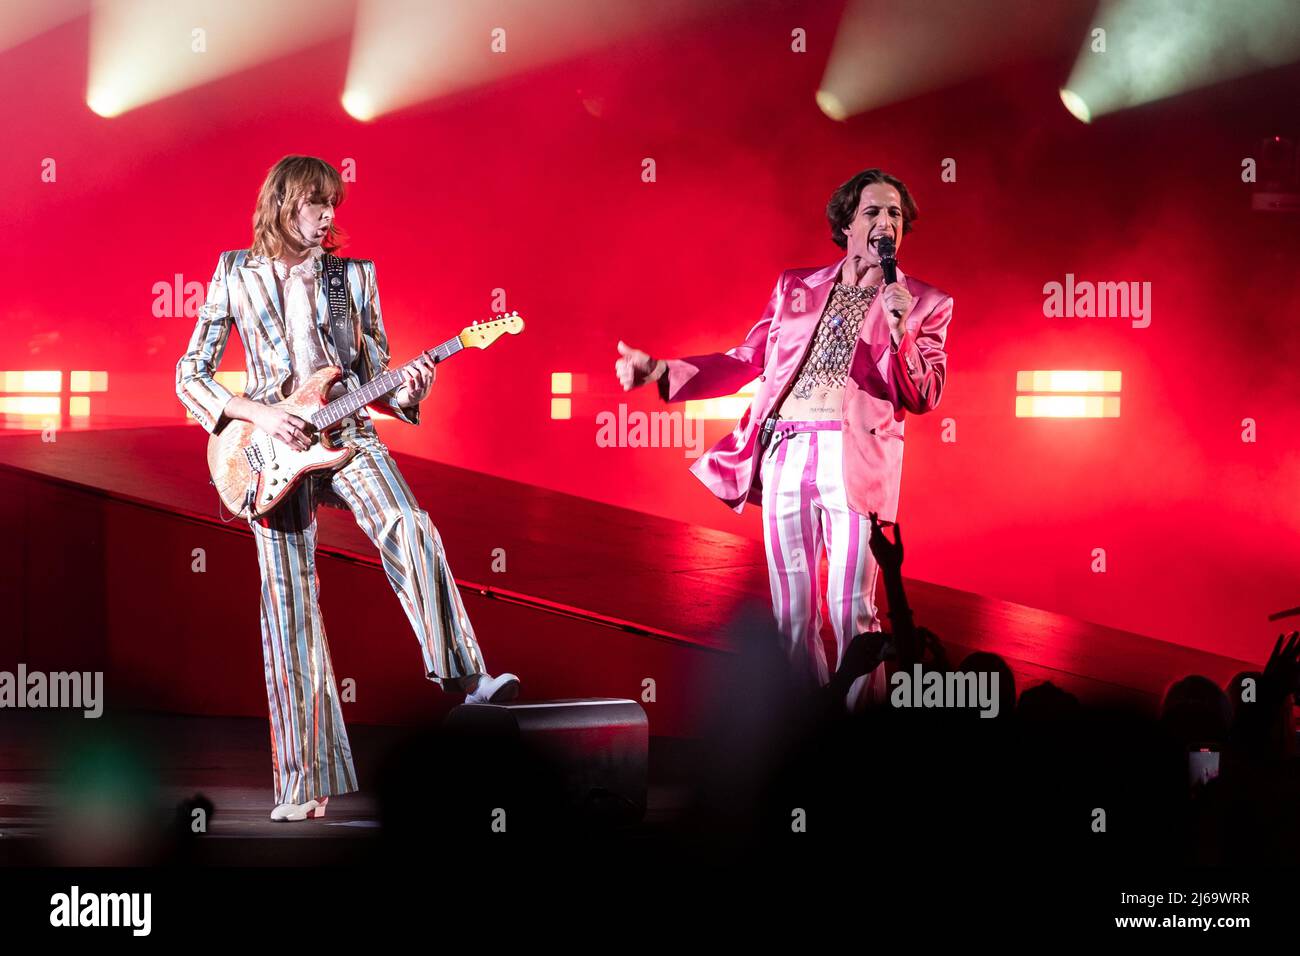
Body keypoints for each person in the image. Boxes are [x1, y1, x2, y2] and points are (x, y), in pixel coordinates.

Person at [176, 155, 518, 822]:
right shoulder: (234, 274)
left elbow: (379, 374)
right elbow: (190, 375)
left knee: (410, 525)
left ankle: (469, 680)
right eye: (315, 203)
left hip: (348, 430)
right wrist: (259, 414)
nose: (329, 216)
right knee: (288, 603)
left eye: (333, 204)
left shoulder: (353, 280)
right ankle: (303, 784)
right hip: (267, 451)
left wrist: (410, 389)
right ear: (281, 205)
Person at [615, 168, 952, 707]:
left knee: (851, 609)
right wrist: (660, 370)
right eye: (873, 212)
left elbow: (925, 393)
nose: (886, 222)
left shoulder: (925, 301)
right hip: (788, 454)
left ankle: (861, 738)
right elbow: (747, 360)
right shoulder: (796, 288)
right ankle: (801, 738)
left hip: (856, 465)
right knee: (792, 613)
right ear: (846, 224)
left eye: (895, 214)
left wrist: (900, 330)